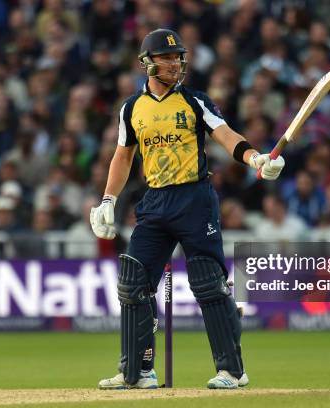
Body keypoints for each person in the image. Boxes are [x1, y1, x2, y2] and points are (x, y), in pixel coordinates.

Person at [90, 29, 285, 390]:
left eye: (178, 57)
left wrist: (255, 158)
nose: (176, 63)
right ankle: (137, 371)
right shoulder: (132, 108)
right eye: (168, 58)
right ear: (148, 63)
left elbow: (226, 135)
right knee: (133, 284)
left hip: (195, 200)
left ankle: (232, 371)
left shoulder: (196, 102)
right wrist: (107, 200)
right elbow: (123, 156)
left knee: (208, 283)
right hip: (155, 201)